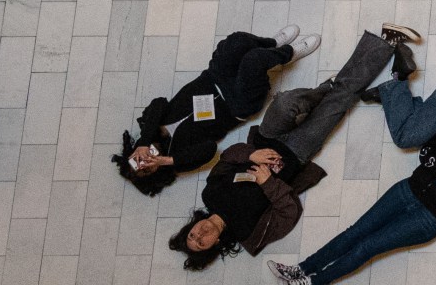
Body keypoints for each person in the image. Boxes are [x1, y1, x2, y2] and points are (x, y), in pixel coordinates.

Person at [169, 29, 415, 269]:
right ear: (215, 245)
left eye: (192, 236)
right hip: (296, 154)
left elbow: (228, 156)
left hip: (266, 138)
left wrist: (251, 154)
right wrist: (268, 184)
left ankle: (323, 89)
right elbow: (289, 214)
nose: (200, 235)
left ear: (191, 227)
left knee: (287, 102)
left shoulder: (210, 195)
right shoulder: (248, 234)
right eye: (202, 244)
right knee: (341, 99)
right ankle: (384, 42)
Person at [265, 108, 436, 285]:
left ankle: (313, 282)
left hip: (431, 217)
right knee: (355, 232)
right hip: (409, 191)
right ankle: (301, 269)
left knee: (368, 246)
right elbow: (428, 151)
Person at [115, 28, 314, 195]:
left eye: (137, 160)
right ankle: (289, 53)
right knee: (253, 60)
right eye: (145, 169)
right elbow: (209, 149)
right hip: (236, 104)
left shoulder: (147, 125)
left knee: (236, 41)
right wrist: (165, 160)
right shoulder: (179, 159)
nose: (145, 161)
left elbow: (159, 103)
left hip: (214, 77)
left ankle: (271, 43)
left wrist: (145, 140)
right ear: (154, 172)